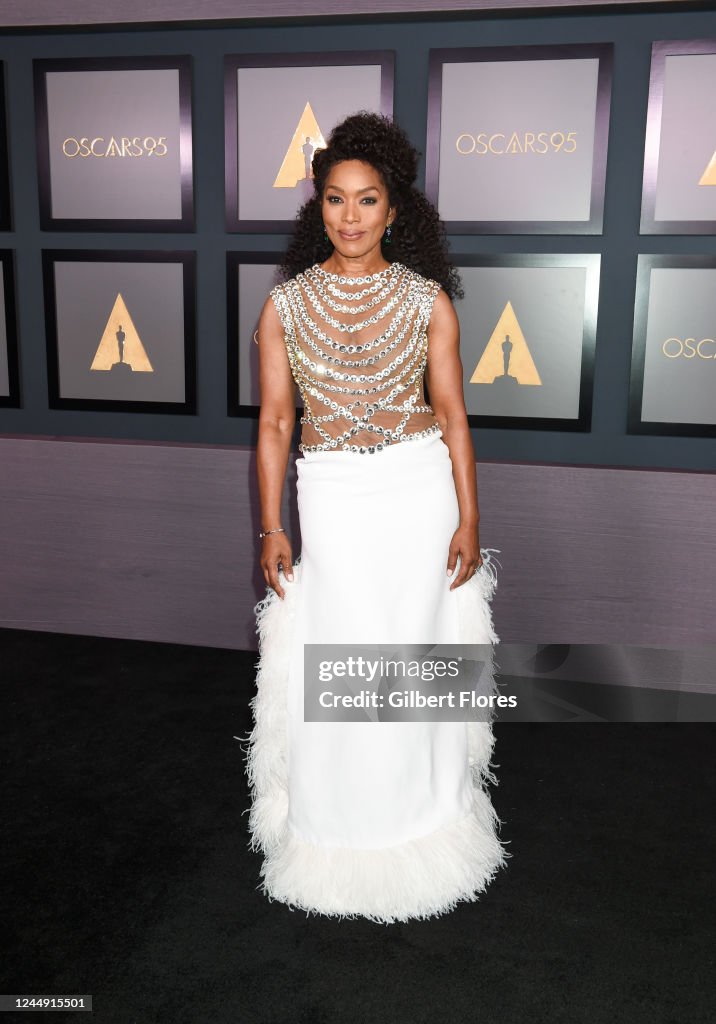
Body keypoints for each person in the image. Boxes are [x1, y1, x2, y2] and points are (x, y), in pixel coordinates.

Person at [243, 111, 509, 924]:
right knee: (342, 651)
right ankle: (339, 829)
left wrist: (469, 517)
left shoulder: (429, 302)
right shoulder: (283, 307)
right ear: (316, 207)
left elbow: (456, 416)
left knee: (418, 653)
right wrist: (272, 524)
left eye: (367, 200)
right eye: (334, 199)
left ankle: (429, 819)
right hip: (334, 500)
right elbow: (276, 425)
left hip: (419, 493)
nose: (350, 216)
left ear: (396, 211)